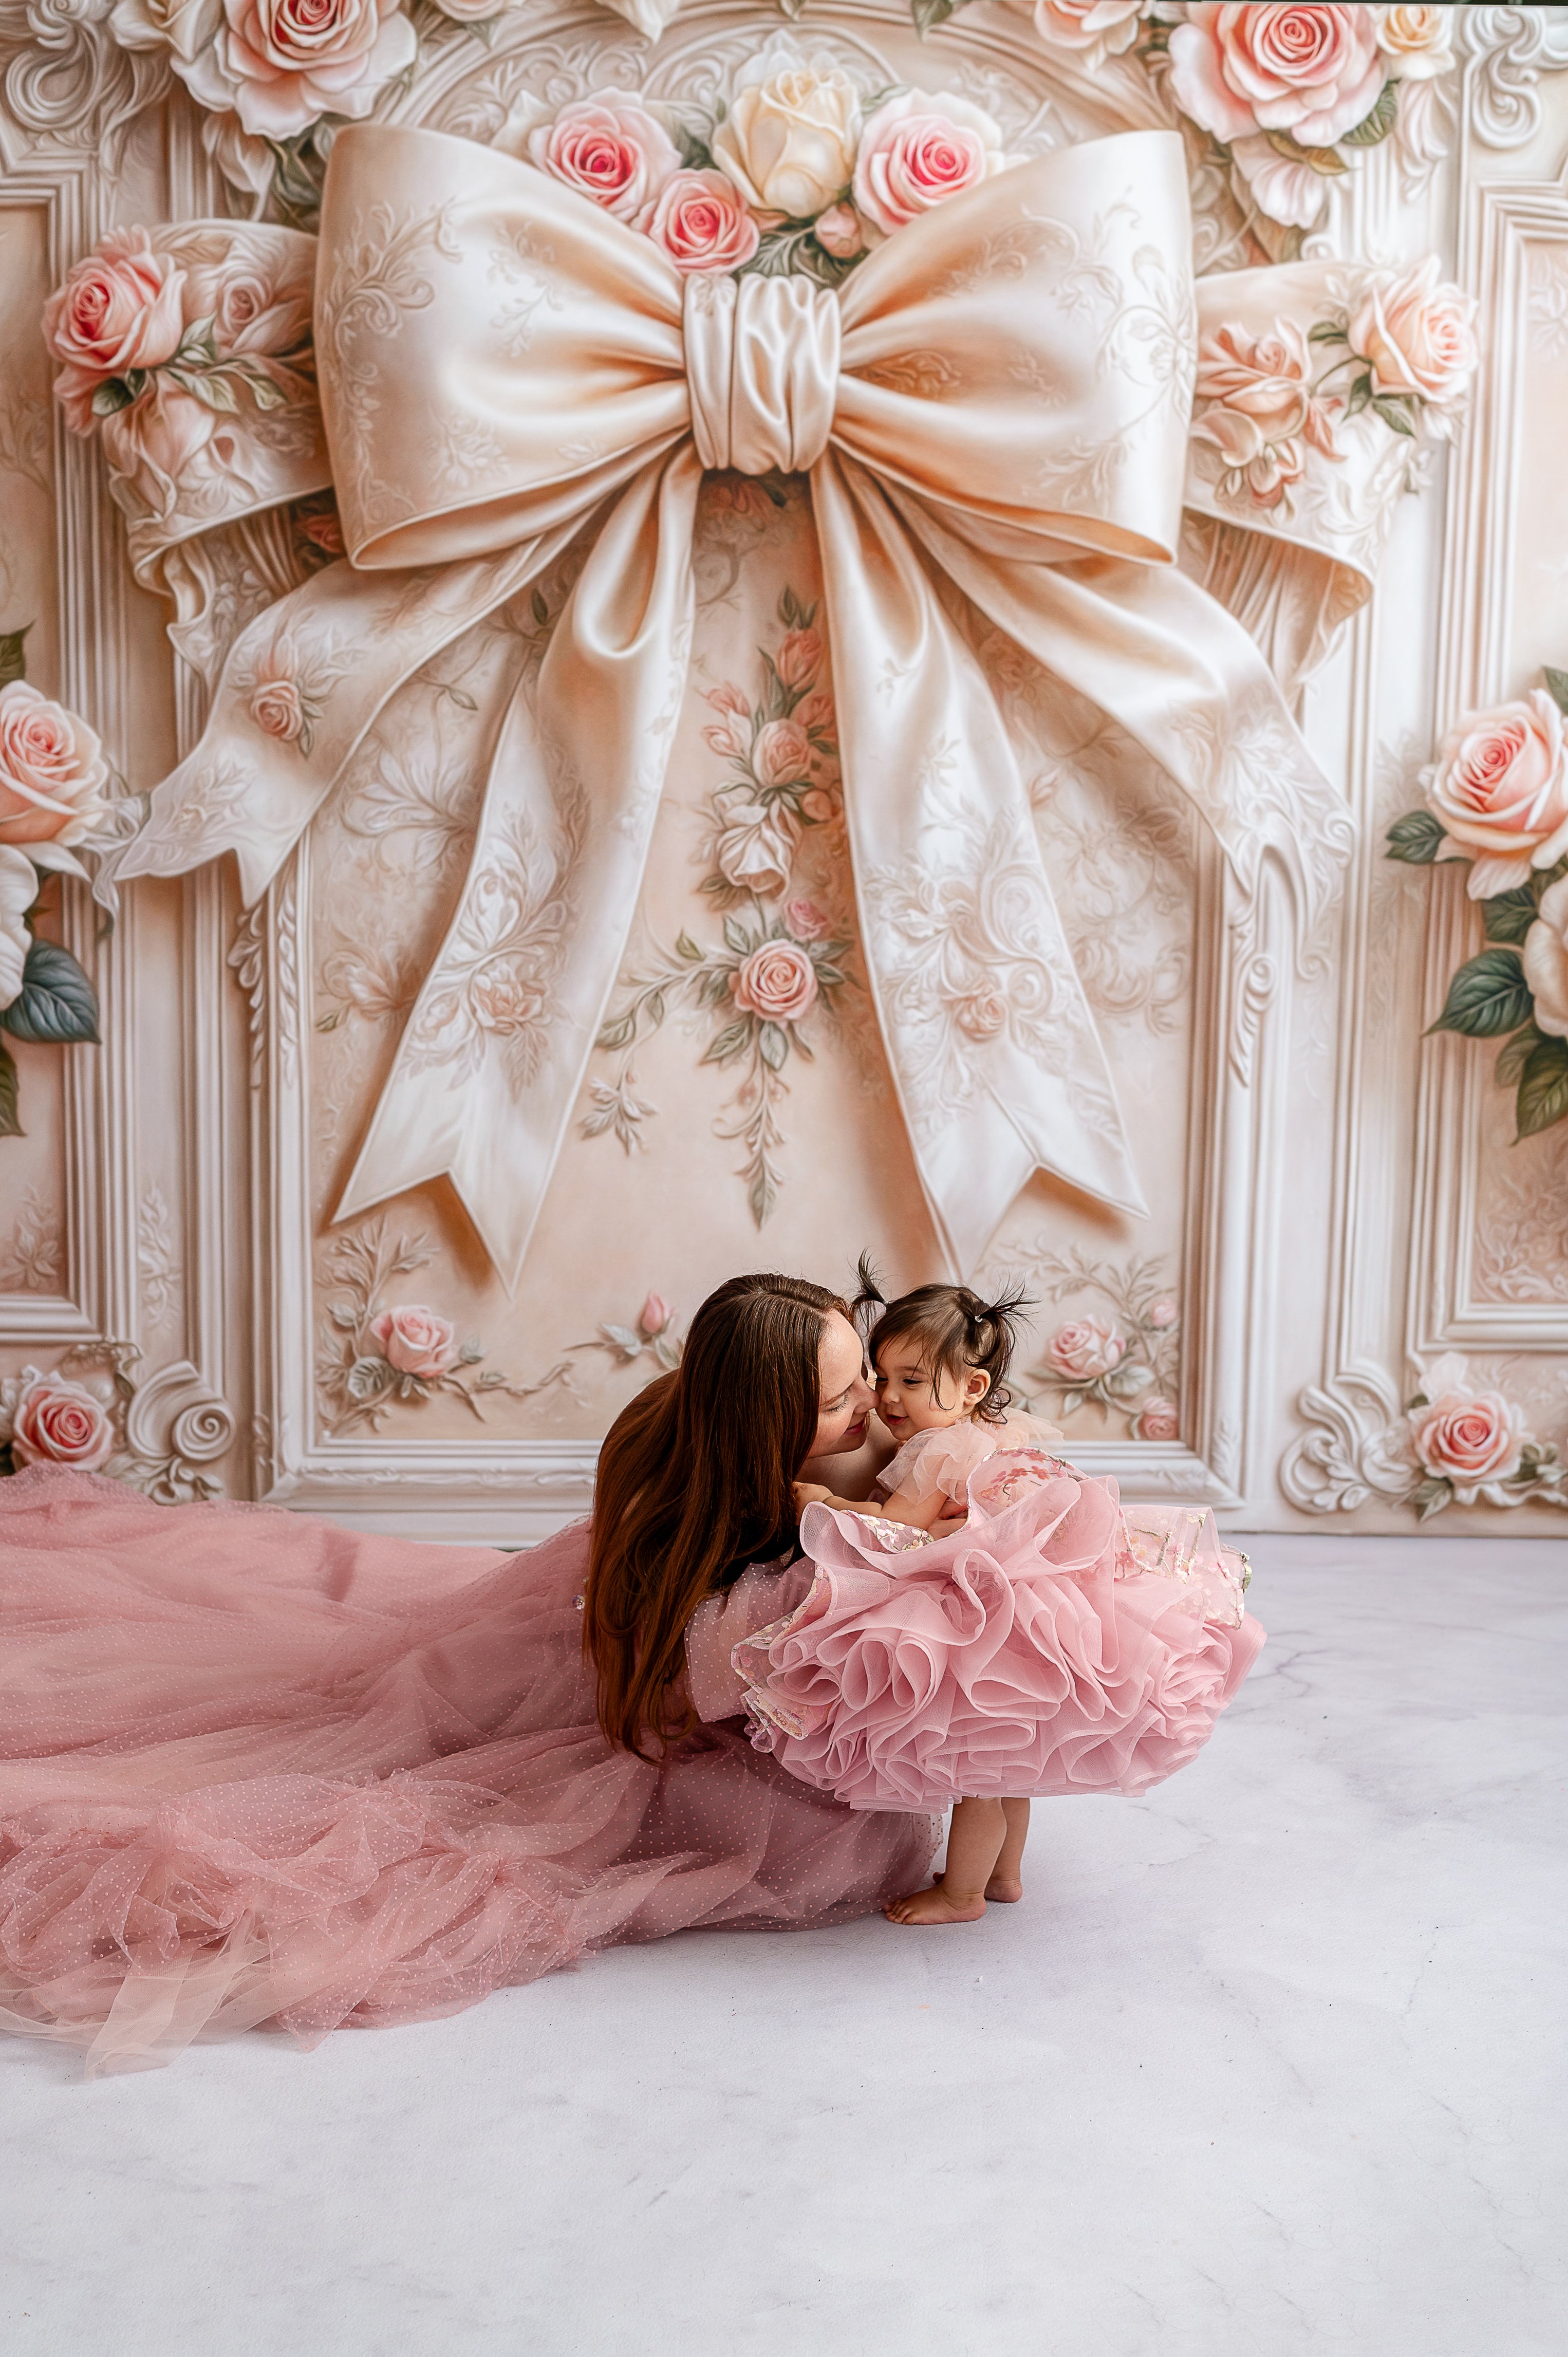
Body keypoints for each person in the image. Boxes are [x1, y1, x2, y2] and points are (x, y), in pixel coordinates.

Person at [0, 1273, 937, 2075]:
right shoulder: (723, 1540)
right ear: (762, 1421)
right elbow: (700, 1684)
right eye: (841, 1397)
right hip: (668, 1680)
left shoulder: (726, 1423)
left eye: (863, 1374)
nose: (871, 1406)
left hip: (617, 1626)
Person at [733, 1272, 1265, 1928]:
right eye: (881, 1375)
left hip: (981, 1622)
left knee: (973, 1776)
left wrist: (828, 1503)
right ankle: (1006, 1877)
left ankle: (962, 1895)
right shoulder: (1001, 1432)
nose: (885, 1398)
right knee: (1010, 1765)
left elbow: (898, 1532)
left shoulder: (935, 1450)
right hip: (1039, 1611)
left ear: (972, 1387)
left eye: (910, 1381)